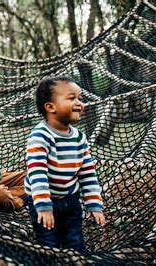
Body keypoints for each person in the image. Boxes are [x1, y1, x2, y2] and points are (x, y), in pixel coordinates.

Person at [25, 76, 106, 251]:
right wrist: (44, 207)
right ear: (50, 107)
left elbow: (87, 171)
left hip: (70, 200)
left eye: (80, 98)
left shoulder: (79, 137)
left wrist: (93, 203)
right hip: (42, 199)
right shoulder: (40, 136)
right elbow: (37, 173)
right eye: (72, 98)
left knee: (74, 242)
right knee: (48, 244)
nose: (79, 103)